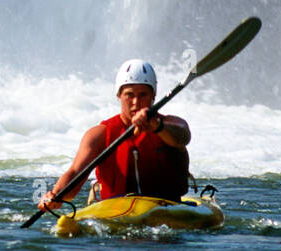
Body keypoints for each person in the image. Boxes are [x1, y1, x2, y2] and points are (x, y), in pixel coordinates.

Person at [38, 59, 190, 210]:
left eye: (143, 95)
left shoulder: (170, 125)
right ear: (119, 96)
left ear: (153, 96)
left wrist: (157, 126)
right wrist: (55, 195)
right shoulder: (99, 135)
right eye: (129, 95)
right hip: (114, 210)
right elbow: (75, 172)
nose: (136, 102)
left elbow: (183, 137)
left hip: (167, 207)